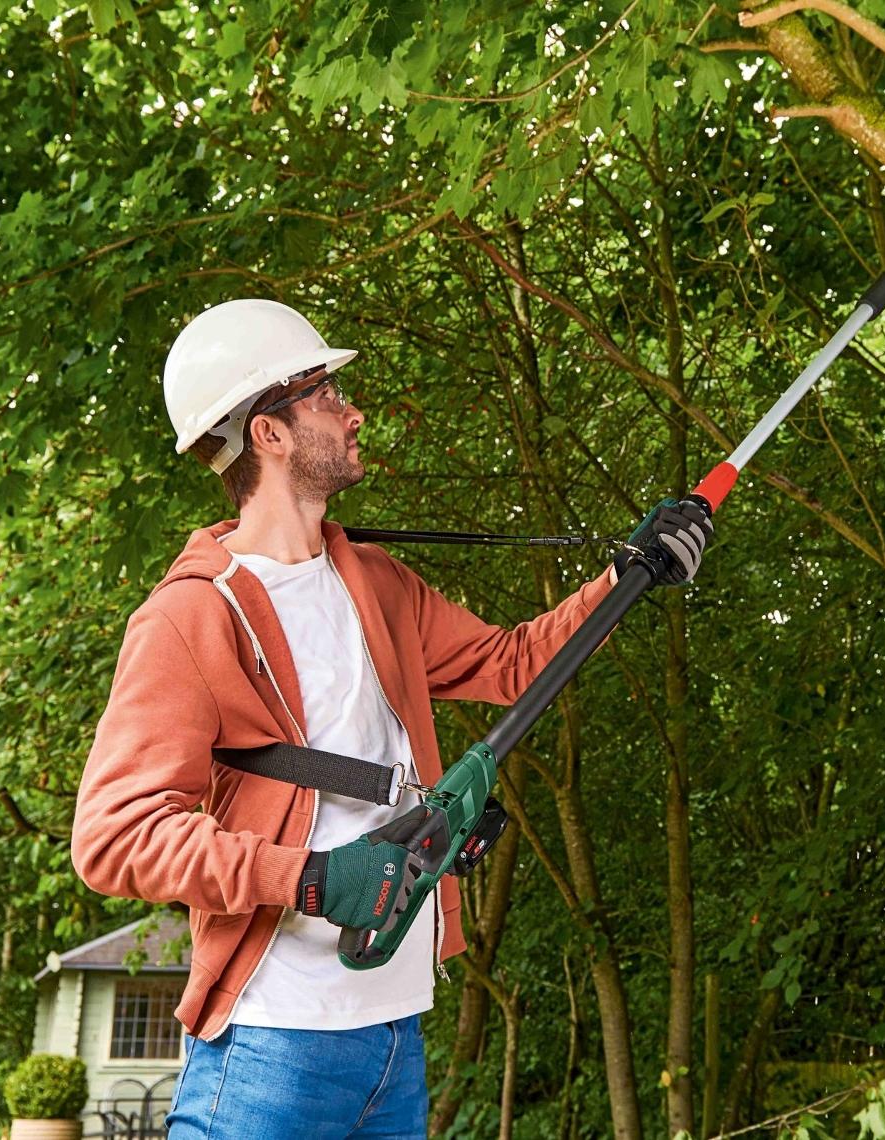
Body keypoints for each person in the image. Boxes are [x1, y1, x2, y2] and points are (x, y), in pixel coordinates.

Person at [71, 299, 712, 1140]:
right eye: (330, 396)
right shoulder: (192, 617)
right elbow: (112, 837)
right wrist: (309, 878)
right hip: (275, 1040)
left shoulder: (374, 580)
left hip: (395, 1033)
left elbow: (514, 662)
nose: (354, 410)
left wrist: (628, 574)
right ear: (269, 432)